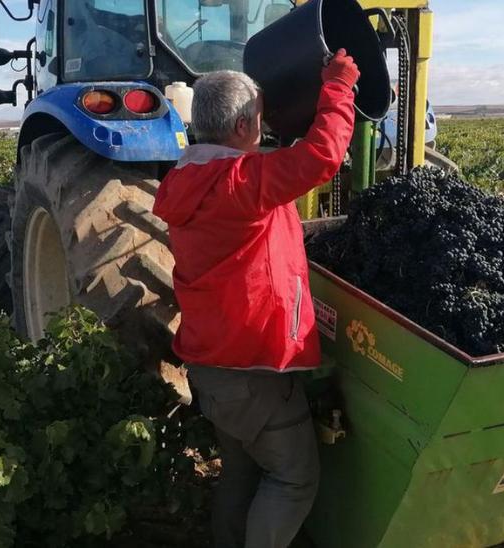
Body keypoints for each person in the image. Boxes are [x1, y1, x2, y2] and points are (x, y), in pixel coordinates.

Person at [152, 50, 360, 548]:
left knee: (242, 474)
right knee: (293, 479)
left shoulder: (183, 180)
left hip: (213, 369)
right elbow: (323, 157)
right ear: (244, 124)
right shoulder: (242, 184)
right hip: (253, 371)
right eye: (260, 120)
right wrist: (339, 87)